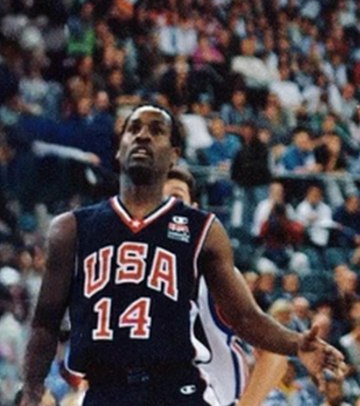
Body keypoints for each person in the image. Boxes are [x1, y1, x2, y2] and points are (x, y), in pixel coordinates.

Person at [18, 104, 343, 406]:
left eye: (156, 130)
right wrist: (32, 390)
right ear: (118, 149)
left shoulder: (203, 230)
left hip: (175, 389)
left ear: (174, 155)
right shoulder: (71, 228)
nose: (143, 135)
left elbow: (246, 318)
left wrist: (296, 344)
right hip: (104, 389)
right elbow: (45, 322)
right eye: (134, 129)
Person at [164, 164, 289, 406]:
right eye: (158, 200)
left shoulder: (214, 276)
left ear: (193, 211)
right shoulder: (125, 278)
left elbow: (274, 353)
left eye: (176, 197)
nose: (167, 207)